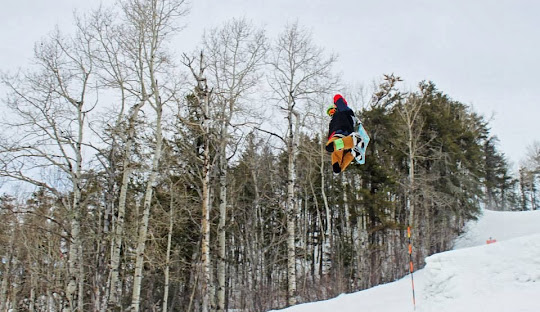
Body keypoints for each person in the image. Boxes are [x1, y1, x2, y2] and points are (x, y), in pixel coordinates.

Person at [325, 94, 361, 174]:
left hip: (342, 130)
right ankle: (351, 153)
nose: (331, 113)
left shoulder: (343, 111)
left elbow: (337, 98)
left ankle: (353, 140)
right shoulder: (332, 121)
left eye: (332, 110)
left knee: (331, 145)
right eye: (329, 113)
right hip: (338, 139)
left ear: (336, 107)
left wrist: (337, 101)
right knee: (336, 154)